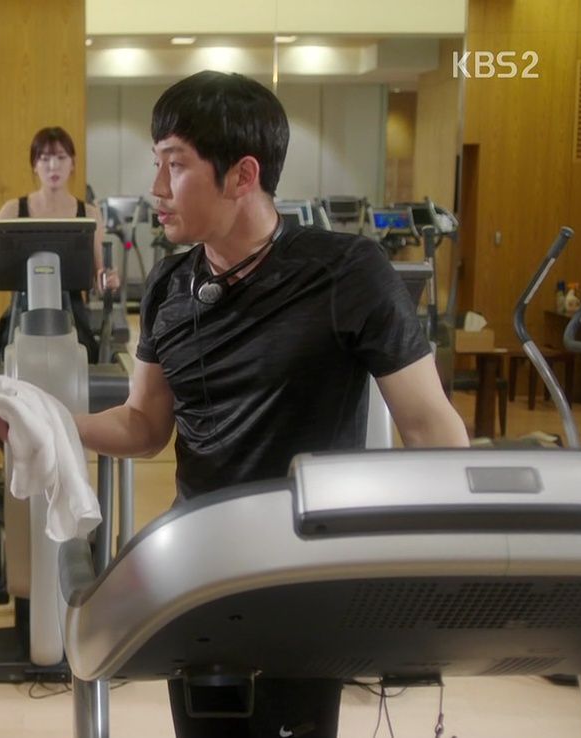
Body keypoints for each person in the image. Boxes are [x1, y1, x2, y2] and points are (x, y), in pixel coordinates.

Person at [72, 72, 470, 737]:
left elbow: (432, 429)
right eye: (156, 163)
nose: (157, 187)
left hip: (301, 568)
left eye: (176, 164)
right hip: (199, 564)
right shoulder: (170, 284)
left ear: (242, 175)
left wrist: (441, 575)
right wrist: (57, 425)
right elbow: (144, 424)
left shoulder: (347, 272)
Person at [0, 126, 119, 363]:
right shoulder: (12, 209)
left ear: (72, 163)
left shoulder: (89, 213)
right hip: (21, 315)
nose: (53, 166)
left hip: (72, 318)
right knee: (0, 361)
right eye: (44, 159)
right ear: (34, 165)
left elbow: (99, 277)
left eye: (61, 157)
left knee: (88, 363)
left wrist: (109, 280)